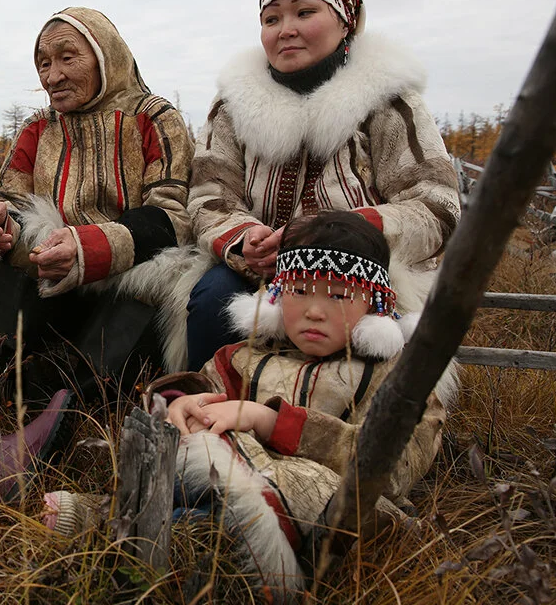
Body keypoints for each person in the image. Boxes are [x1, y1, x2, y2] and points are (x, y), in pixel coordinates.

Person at [46, 211, 448, 600]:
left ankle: (114, 530)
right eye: (299, 290)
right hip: (228, 483)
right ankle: (125, 522)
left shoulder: (396, 381)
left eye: (339, 296)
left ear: (375, 304)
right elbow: (206, 389)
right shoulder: (247, 356)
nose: (313, 310)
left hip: (326, 518)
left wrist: (271, 422)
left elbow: (392, 468)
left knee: (213, 520)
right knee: (188, 463)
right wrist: (183, 404)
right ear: (276, 294)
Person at [185, 0, 461, 372]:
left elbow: (437, 205)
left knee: (357, 353)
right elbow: (210, 194)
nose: (286, 29)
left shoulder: (388, 101)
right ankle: (210, 410)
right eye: (271, 18)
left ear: (345, 22)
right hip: (262, 270)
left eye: (305, 11)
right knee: (212, 302)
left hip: (362, 270)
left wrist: (342, 235)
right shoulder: (232, 105)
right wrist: (244, 240)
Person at [0, 6, 196, 404]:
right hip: (50, 270)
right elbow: (9, 198)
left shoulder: (153, 118)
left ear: (108, 56)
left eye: (68, 57)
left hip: (129, 274)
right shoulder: (39, 127)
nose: (53, 76)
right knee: (3, 270)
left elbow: (172, 214)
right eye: (44, 63)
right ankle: (2, 386)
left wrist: (89, 247)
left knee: (88, 383)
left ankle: (73, 398)